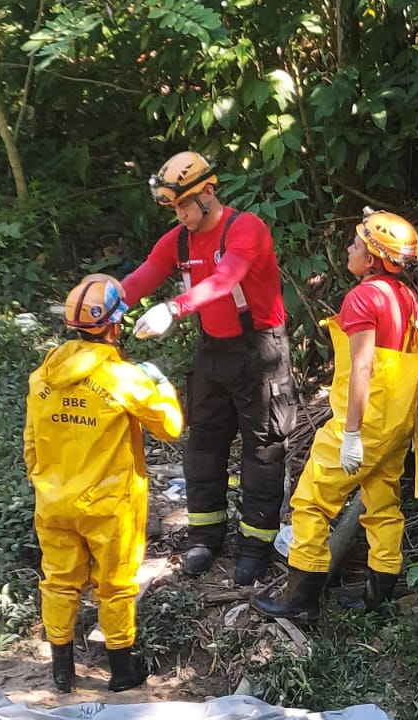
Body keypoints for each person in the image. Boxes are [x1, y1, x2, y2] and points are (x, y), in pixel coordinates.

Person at [122, 150, 297, 586]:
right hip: (212, 351)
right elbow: (144, 275)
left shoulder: (245, 229)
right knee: (203, 444)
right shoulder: (178, 240)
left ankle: (256, 545)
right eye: (174, 208)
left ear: (208, 192)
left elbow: (226, 280)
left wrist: (173, 308)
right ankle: (205, 535)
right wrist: (98, 307)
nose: (180, 215)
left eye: (185, 205)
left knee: (263, 448)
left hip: (259, 351)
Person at [254, 210, 418, 622]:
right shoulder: (407, 299)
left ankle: (301, 601)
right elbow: (415, 359)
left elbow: (363, 367)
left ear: (372, 259)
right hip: (395, 423)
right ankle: (377, 598)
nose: (349, 248)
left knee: (311, 503)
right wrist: (413, 419)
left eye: (356, 244)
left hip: (363, 422)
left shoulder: (365, 298)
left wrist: (350, 435)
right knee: (383, 506)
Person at [24, 273, 184, 693]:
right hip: (109, 504)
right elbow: (171, 426)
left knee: (58, 581)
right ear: (115, 326)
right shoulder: (124, 379)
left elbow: (30, 445)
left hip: (53, 502)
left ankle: (62, 672)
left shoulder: (42, 377)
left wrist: (46, 485)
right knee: (114, 585)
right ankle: (121, 671)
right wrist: (161, 383)